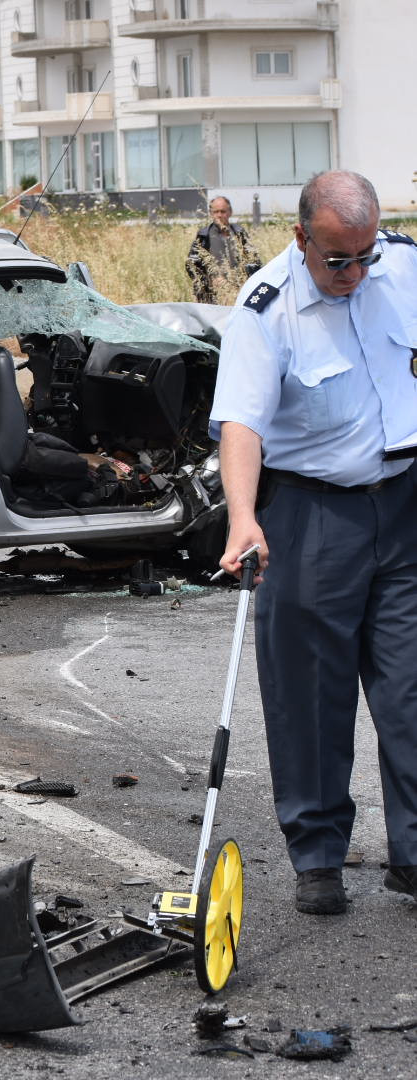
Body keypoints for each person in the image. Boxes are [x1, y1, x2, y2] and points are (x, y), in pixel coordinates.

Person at [210, 170, 417, 916]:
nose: (356, 274)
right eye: (338, 261)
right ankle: (319, 855)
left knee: (410, 690)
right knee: (310, 695)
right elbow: (242, 424)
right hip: (311, 514)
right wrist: (243, 515)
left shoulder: (402, 267)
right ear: (302, 239)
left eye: (365, 256)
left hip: (403, 504)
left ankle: (414, 857)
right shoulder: (267, 309)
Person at [186, 195, 261, 304]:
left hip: (239, 293)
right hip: (213, 295)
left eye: (223, 211)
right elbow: (191, 265)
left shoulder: (239, 233)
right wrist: (210, 280)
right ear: (211, 213)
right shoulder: (203, 235)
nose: (219, 215)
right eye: (216, 212)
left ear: (230, 212)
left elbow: (255, 261)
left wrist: (244, 279)